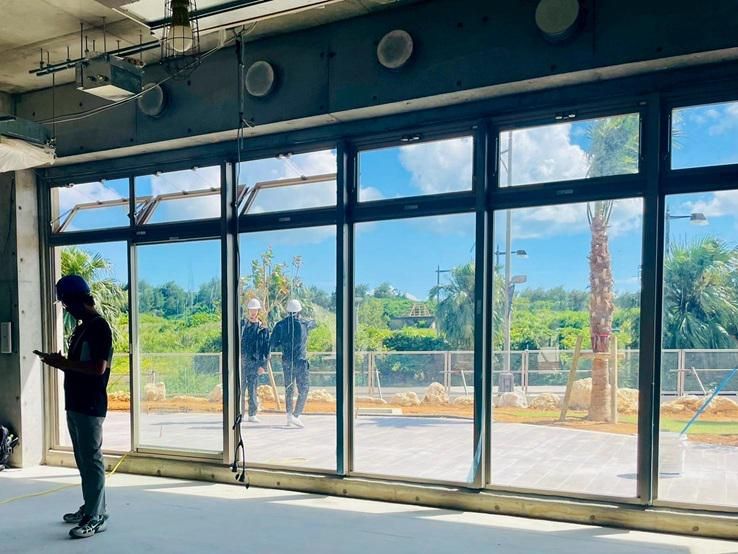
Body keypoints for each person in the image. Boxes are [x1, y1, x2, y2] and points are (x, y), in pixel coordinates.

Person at [39, 275, 113, 540]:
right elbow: (80, 364)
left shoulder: (99, 327)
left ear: (79, 300)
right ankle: (91, 507)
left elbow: (98, 368)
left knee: (91, 460)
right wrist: (62, 362)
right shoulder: (82, 328)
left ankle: (96, 516)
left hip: (90, 403)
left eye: (67, 304)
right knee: (83, 460)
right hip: (76, 401)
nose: (66, 309)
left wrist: (63, 364)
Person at [270, 299, 316, 428]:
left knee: (289, 389)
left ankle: (289, 416)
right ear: (299, 311)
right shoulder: (304, 323)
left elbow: (273, 343)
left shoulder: (280, 325)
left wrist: (282, 342)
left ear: (287, 311)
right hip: (300, 361)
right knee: (304, 388)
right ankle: (296, 415)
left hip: (287, 361)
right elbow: (314, 323)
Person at [240, 298, 270, 423]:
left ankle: (252, 414)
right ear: (248, 311)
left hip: (255, 363)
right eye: (251, 310)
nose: (253, 312)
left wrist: (263, 365)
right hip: (242, 363)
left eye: (255, 310)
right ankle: (240, 413)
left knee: (252, 389)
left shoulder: (263, 329)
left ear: (258, 311)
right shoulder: (242, 326)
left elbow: (266, 349)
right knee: (240, 389)